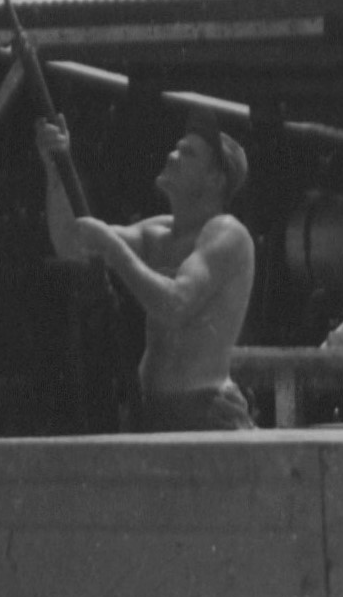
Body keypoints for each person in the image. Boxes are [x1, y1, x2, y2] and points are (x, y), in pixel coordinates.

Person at [39, 118, 257, 431]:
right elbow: (70, 242)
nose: (171, 156)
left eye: (189, 154)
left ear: (215, 179)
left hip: (204, 409)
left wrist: (114, 249)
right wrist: (55, 169)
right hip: (151, 408)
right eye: (176, 148)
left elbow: (176, 304)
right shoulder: (157, 233)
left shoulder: (226, 233)